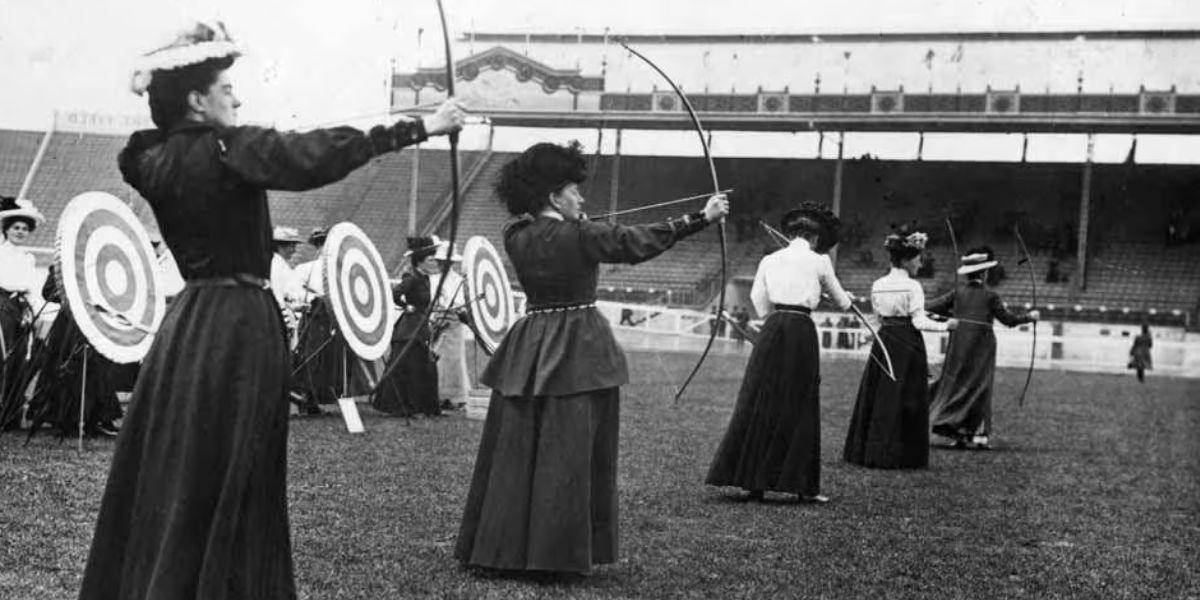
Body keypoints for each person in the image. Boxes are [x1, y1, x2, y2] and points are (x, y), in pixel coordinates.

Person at [79, 21, 464, 599]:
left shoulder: (151, 160)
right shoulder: (230, 148)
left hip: (188, 325)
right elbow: (314, 155)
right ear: (197, 100)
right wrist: (423, 125)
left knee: (181, 461)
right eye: (226, 88)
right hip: (239, 324)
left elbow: (160, 142)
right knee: (239, 466)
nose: (237, 97)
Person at [455, 141, 729, 573]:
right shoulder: (581, 234)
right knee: (569, 450)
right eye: (573, 191)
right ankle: (555, 555)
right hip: (577, 344)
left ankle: (501, 548)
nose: (581, 199)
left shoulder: (515, 235)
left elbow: (581, 234)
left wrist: (579, 223)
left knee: (519, 445)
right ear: (553, 196)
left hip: (530, 339)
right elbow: (634, 242)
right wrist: (702, 218)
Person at [706, 201, 852, 504]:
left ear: (792, 235)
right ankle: (801, 486)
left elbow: (759, 299)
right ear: (813, 239)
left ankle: (752, 482)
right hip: (800, 330)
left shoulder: (770, 259)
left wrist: (780, 307)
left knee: (762, 397)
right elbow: (843, 303)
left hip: (773, 329)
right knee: (799, 399)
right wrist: (823, 296)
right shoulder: (820, 261)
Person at [843, 227, 956, 470]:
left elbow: (881, 318)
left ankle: (871, 451)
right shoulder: (913, 286)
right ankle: (901, 455)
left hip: (885, 341)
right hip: (908, 344)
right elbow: (918, 322)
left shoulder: (878, 284)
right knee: (906, 398)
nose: (920, 263)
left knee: (882, 395)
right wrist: (948, 325)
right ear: (905, 260)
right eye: (917, 258)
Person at [926, 247, 1039, 450]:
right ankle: (977, 436)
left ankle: (958, 433)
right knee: (980, 387)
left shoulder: (957, 293)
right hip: (982, 350)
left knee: (958, 384)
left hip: (958, 348)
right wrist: (1029, 317)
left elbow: (929, 307)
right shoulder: (991, 296)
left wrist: (947, 313)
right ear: (984, 273)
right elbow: (1009, 320)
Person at [371, 236, 444, 417]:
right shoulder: (411, 277)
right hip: (409, 329)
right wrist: (406, 306)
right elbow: (394, 294)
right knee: (410, 368)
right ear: (420, 261)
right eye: (430, 259)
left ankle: (425, 407)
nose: (434, 262)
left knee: (424, 366)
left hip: (420, 326)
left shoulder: (425, 278)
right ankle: (405, 407)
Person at [0, 195, 46, 428]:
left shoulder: (28, 258)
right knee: (3, 356)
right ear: (6, 230)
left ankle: (10, 415)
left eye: (24, 229)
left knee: (19, 358)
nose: (20, 232)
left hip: (21, 309)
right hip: (1, 307)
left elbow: (32, 290)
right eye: (16, 227)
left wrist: (33, 313)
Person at [431, 241, 470, 410]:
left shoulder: (459, 281)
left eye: (445, 262)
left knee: (453, 359)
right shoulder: (433, 280)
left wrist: (450, 309)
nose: (441, 265)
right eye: (440, 262)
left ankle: (455, 397)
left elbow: (462, 302)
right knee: (436, 358)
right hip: (437, 322)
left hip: (453, 323)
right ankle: (437, 395)